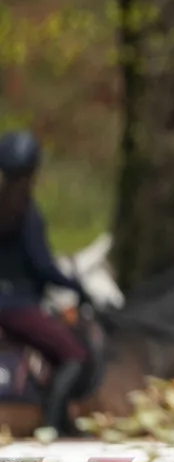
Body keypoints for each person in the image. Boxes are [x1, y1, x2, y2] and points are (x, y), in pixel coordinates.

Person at [0, 130, 94, 434]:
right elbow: (43, 267)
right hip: (17, 306)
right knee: (74, 354)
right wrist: (78, 287)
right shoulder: (26, 212)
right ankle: (54, 427)